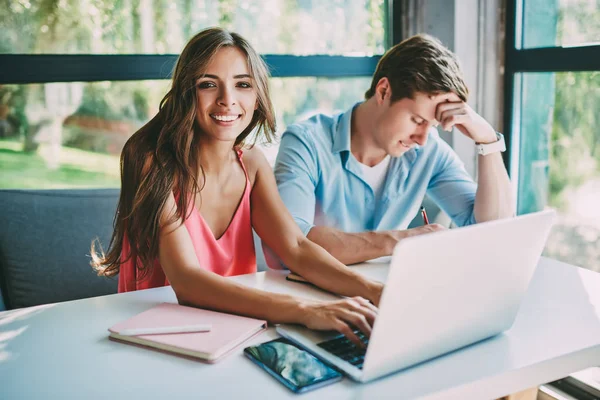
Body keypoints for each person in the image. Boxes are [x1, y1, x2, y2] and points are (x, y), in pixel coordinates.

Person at [91, 28, 382, 346]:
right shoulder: (150, 160)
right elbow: (188, 283)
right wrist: (308, 310)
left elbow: (296, 249)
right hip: (154, 335)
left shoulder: (253, 163)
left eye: (242, 84)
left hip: (237, 328)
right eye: (208, 85)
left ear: (257, 95)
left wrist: (374, 291)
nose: (227, 100)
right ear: (187, 92)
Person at [273, 34, 514, 266]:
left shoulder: (429, 152)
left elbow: (491, 231)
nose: (422, 138)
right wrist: (397, 241)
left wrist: (488, 141)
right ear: (384, 91)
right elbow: (291, 242)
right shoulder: (306, 142)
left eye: (433, 125)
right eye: (417, 120)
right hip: (306, 295)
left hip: (384, 295)